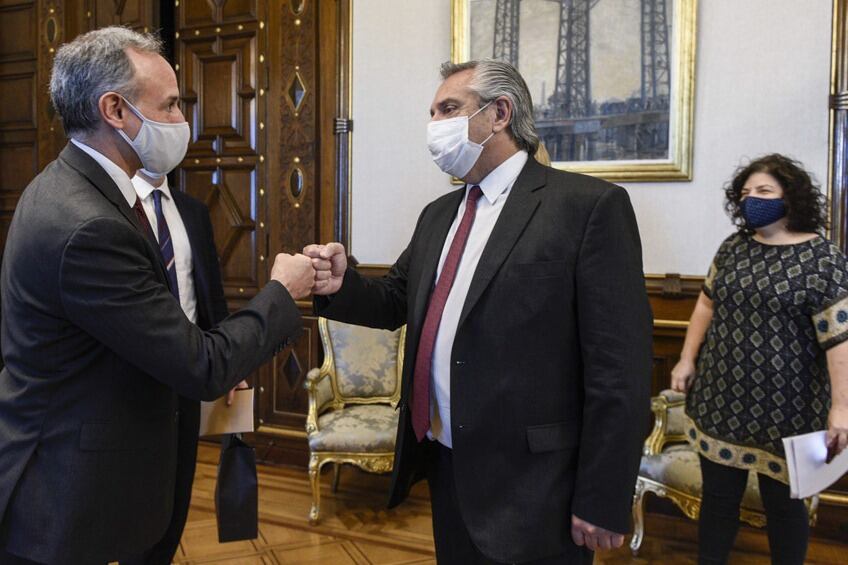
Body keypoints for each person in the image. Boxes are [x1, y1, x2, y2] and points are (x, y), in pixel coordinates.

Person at [305, 59, 653, 564]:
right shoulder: (439, 214)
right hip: (448, 464)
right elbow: (397, 300)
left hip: (538, 483)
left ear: (500, 114)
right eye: (431, 112)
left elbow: (619, 369)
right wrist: (341, 284)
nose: (435, 126)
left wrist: (603, 496)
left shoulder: (586, 207)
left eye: (449, 109)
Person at [0, 27, 314, 564]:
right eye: (169, 105)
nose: (180, 121)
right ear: (115, 110)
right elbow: (200, 364)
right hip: (64, 499)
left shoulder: (73, 187)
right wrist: (282, 291)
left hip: (104, 467)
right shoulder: (90, 225)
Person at [670, 154, 848, 564]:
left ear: (792, 197)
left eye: (764, 192)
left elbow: (840, 339)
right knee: (717, 501)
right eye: (747, 193)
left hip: (790, 409)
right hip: (721, 399)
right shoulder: (733, 248)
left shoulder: (823, 259)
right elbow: (704, 306)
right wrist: (685, 359)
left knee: (785, 507)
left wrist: (841, 408)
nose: (753, 200)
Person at [121, 169, 233, 565]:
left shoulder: (194, 211)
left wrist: (229, 364)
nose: (176, 122)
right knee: (135, 507)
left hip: (186, 379)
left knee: (176, 498)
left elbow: (210, 297)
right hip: (131, 389)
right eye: (167, 107)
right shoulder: (115, 207)